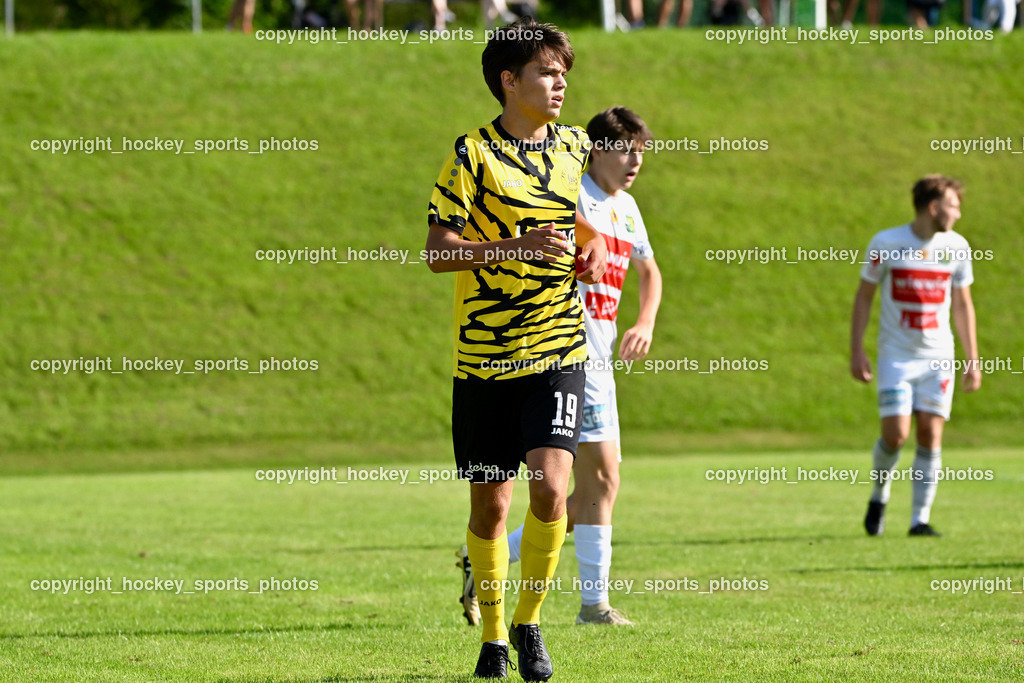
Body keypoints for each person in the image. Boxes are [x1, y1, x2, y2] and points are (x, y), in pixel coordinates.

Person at [426, 18, 608, 680]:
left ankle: (530, 624)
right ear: (509, 81)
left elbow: (579, 225)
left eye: (564, 73)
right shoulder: (471, 153)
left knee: (553, 488)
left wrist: (587, 251)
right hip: (483, 359)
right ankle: (494, 638)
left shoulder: (575, 147)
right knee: (490, 506)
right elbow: (437, 252)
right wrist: (513, 247)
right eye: (545, 72)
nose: (559, 83)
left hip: (558, 347)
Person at [500, 106, 662, 626]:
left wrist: (646, 322)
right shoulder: (571, 196)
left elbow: (650, 271)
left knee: (600, 485)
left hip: (601, 358)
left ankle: (494, 558)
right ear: (596, 149)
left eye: (641, 150)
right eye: (624, 149)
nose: (635, 160)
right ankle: (592, 606)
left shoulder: (629, 207)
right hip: (566, 353)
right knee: (598, 480)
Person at [851, 175, 980, 538]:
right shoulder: (886, 242)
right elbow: (864, 297)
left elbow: (962, 303)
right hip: (896, 355)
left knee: (930, 432)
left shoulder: (957, 247)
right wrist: (857, 350)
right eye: (953, 206)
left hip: (938, 356)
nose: (958, 213)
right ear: (934, 207)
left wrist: (972, 357)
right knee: (895, 436)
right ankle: (879, 497)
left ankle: (918, 521)